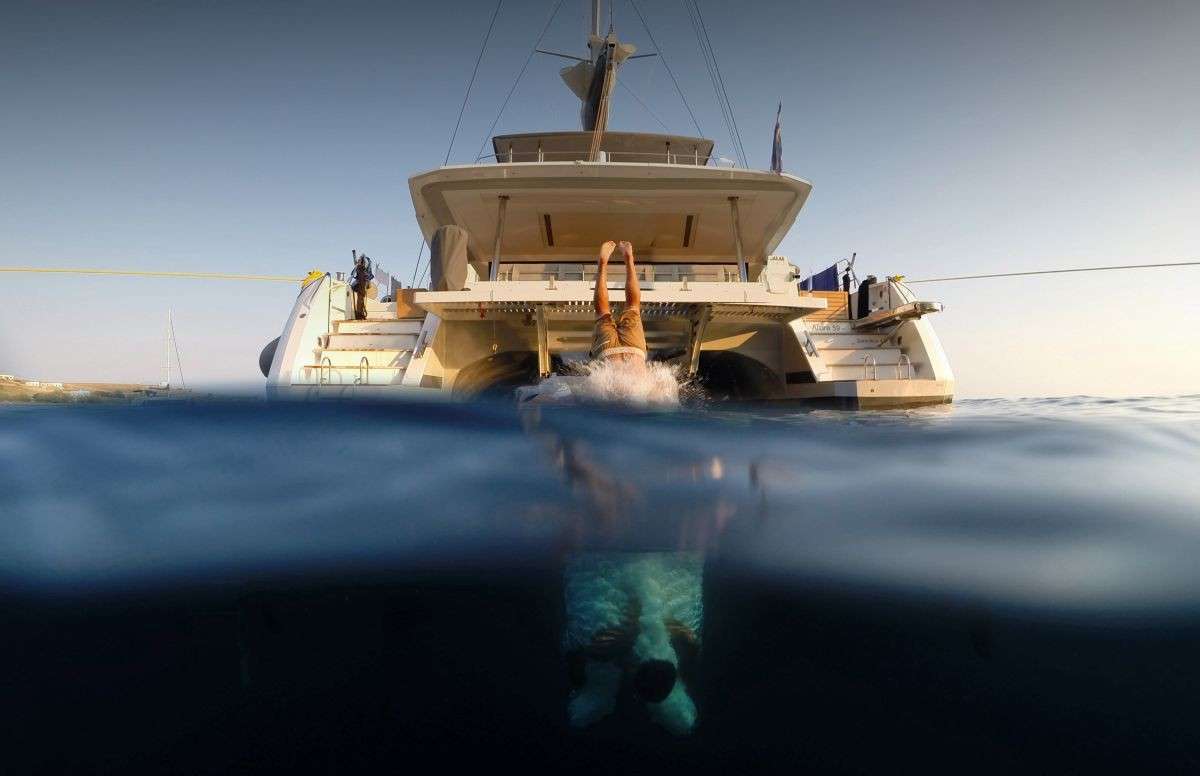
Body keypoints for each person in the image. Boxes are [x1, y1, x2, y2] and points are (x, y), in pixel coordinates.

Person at [591, 240, 647, 367]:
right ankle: (602, 263)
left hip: (635, 349)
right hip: (607, 352)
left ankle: (629, 259)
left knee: (633, 306)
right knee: (602, 313)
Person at [350, 253, 374, 320]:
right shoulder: (359, 267)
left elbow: (366, 272)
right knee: (360, 298)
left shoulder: (363, 266)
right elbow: (354, 273)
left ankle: (360, 313)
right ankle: (359, 314)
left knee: (361, 298)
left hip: (363, 282)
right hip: (361, 282)